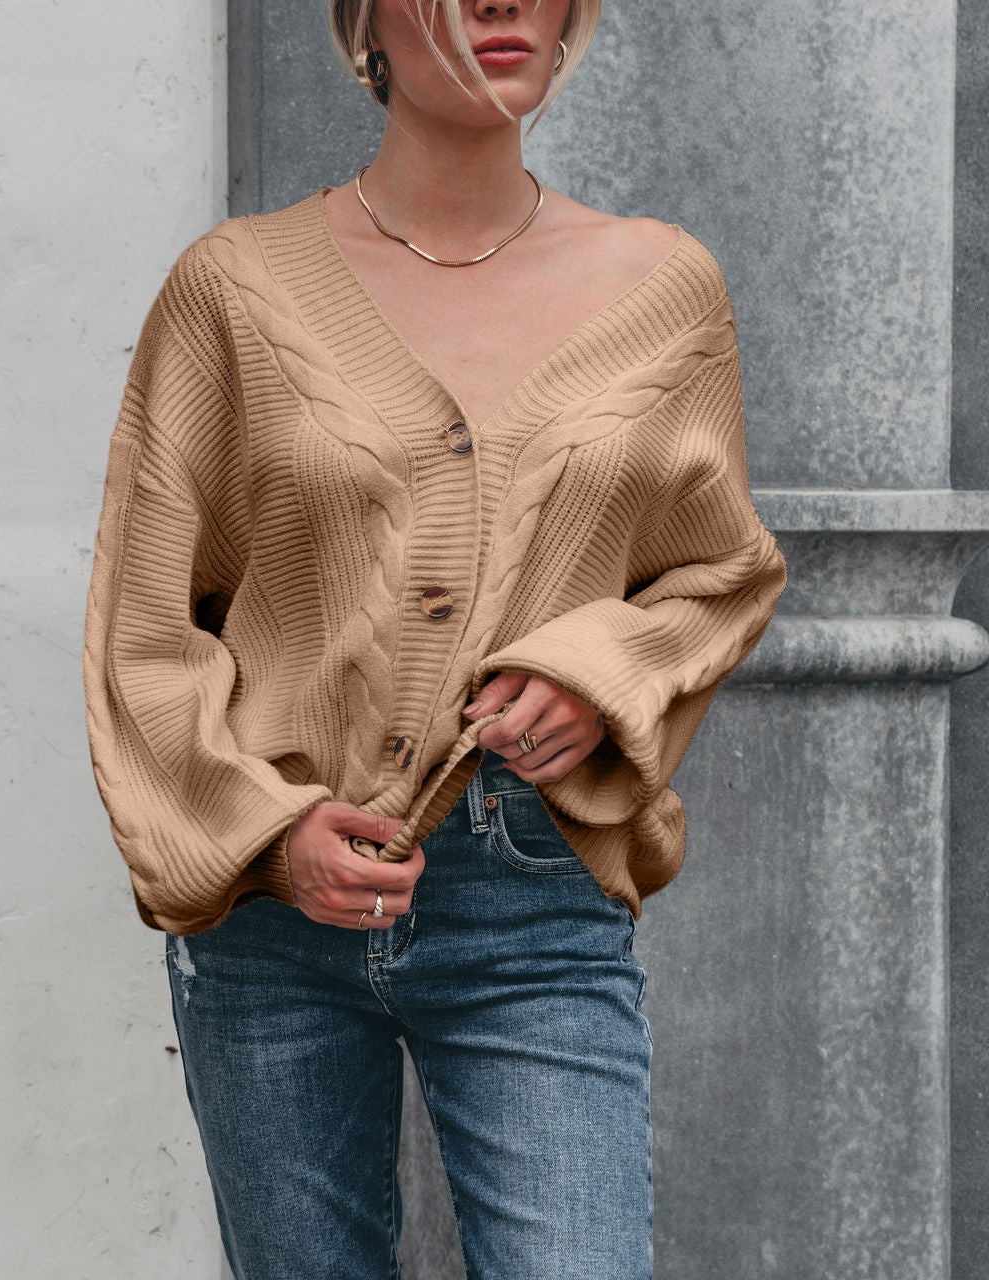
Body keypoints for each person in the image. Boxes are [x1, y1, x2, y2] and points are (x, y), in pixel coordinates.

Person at [82, 1, 787, 1276]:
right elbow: (146, 623)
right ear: (366, 21)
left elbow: (720, 570)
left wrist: (597, 676)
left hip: (531, 891)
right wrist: (264, 829)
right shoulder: (233, 290)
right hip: (273, 915)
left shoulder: (663, 286)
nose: (503, 2)